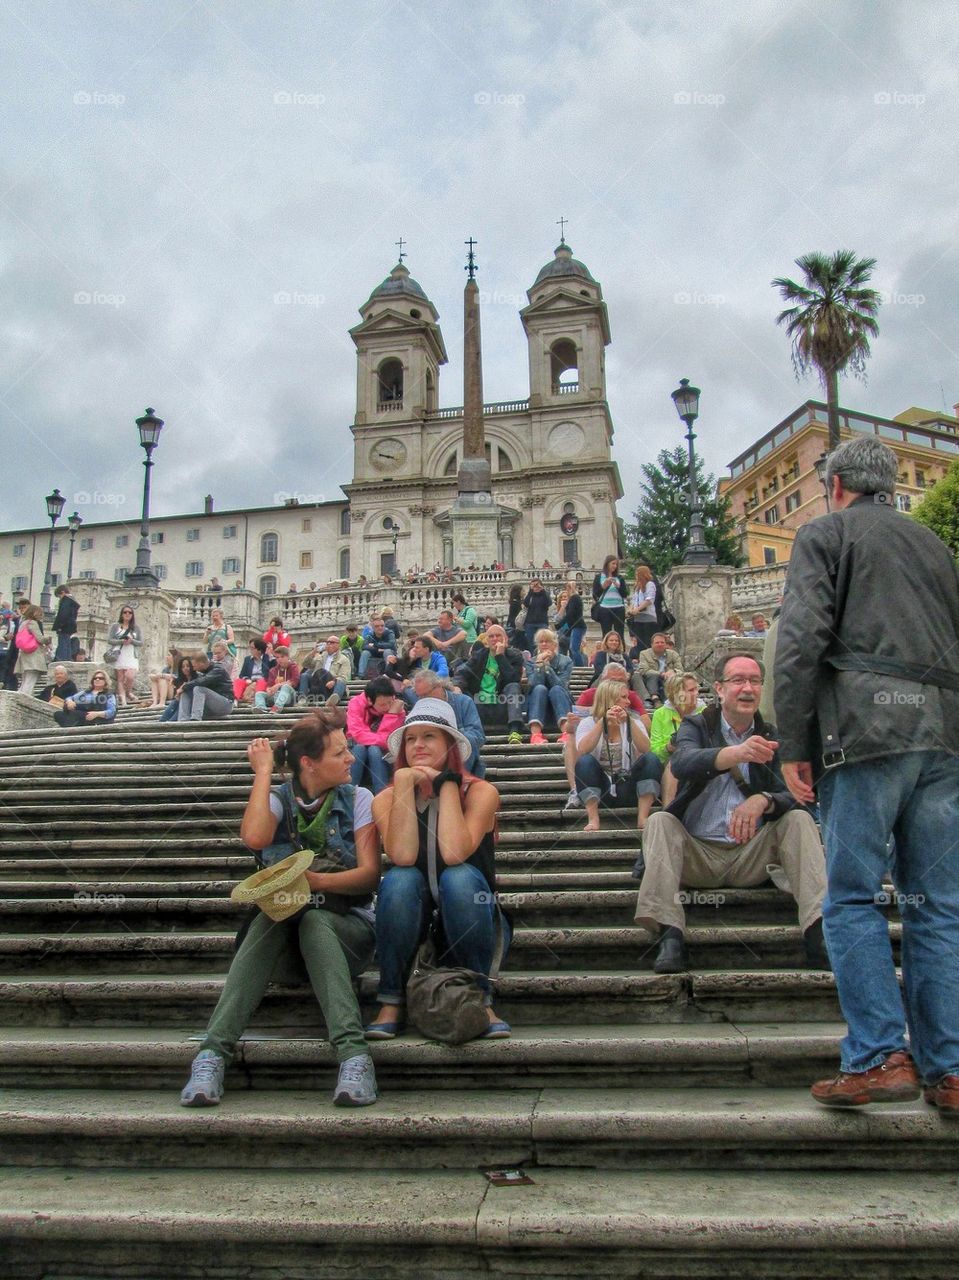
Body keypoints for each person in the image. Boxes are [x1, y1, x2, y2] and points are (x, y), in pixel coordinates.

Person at [774, 435, 959, 1112]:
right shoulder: (933, 547)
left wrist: (792, 740)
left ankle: (879, 1054)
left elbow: (800, 640)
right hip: (942, 735)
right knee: (937, 905)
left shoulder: (825, 534)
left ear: (839, 485)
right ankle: (949, 1068)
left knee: (850, 897)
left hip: (866, 727)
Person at [179, 711, 380, 1108]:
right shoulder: (277, 799)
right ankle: (211, 1056)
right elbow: (254, 837)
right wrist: (263, 773)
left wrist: (311, 883)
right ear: (309, 762)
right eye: (340, 752)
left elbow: (369, 877)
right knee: (273, 918)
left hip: (349, 934)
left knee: (316, 919)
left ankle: (354, 1055)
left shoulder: (360, 798)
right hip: (286, 943)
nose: (351, 759)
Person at [634, 651, 828, 975]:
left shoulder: (772, 736)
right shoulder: (696, 725)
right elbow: (682, 763)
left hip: (752, 856)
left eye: (754, 681)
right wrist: (733, 754)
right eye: (738, 680)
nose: (748, 688)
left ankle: (818, 933)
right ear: (720, 689)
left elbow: (800, 796)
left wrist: (764, 800)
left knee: (799, 819)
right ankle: (669, 934)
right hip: (697, 854)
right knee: (659, 821)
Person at [363, 698, 510, 1041]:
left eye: (429, 737)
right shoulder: (384, 799)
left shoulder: (482, 793)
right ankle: (391, 1000)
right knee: (399, 878)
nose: (418, 746)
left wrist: (446, 785)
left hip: (470, 916)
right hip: (412, 920)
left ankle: (480, 996)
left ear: (450, 746)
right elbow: (401, 854)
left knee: (458, 877)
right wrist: (402, 784)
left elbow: (455, 852)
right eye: (411, 739)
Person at [574, 678, 662, 832]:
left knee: (652, 760)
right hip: (601, 788)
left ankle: (643, 817)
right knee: (585, 761)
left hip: (627, 786)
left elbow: (647, 749)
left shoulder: (634, 722)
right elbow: (583, 750)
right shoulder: (587, 723)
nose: (628, 702)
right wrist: (602, 723)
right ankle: (593, 819)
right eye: (623, 697)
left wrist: (630, 722)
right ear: (609, 698)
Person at [562, 663, 649, 810]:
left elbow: (646, 725)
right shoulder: (589, 695)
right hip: (594, 749)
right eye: (613, 680)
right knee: (571, 739)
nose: (618, 684)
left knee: (646, 753)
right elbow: (572, 732)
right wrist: (599, 722)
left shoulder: (629, 696)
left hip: (625, 778)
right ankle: (576, 790)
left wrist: (631, 722)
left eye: (622, 680)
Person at [453, 623, 525, 745]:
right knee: (458, 692)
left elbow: (513, 679)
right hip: (479, 704)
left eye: (498, 636)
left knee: (513, 686)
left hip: (501, 704)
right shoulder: (479, 655)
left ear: (505, 638)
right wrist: (457, 686)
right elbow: (462, 672)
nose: (495, 639)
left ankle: (515, 730)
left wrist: (500, 657)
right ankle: (462, 732)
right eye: (491, 636)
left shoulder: (515, 656)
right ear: (487, 640)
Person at [408, 669, 486, 776]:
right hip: (431, 756)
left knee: (469, 739)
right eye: (419, 696)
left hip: (459, 756)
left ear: (439, 686)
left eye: (426, 695)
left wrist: (452, 738)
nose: (422, 699)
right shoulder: (420, 706)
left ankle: (455, 780)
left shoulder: (464, 702)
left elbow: (478, 735)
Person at [649, 672, 705, 807]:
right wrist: (668, 747)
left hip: (698, 760)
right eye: (691, 690)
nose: (697, 693)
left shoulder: (705, 712)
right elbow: (655, 751)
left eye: (697, 689)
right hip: (671, 763)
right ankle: (668, 812)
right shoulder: (660, 714)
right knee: (674, 761)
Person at [346, 676, 406, 795]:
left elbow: (391, 740)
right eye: (383, 704)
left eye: (390, 702)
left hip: (383, 755)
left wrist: (391, 715)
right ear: (369, 700)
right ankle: (349, 795)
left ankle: (382, 796)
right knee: (360, 748)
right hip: (357, 750)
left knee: (374, 750)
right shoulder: (356, 703)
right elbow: (357, 735)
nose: (388, 707)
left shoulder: (396, 707)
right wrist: (380, 739)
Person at [525, 628, 573, 745]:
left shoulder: (566, 661)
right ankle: (535, 734)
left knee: (556, 689)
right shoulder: (531, 662)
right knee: (540, 688)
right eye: (541, 642)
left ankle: (566, 732)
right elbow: (533, 684)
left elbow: (561, 685)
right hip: (538, 705)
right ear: (537, 645)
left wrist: (547, 668)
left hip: (560, 704)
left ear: (555, 643)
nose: (544, 644)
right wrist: (539, 665)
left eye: (548, 641)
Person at [177, 651, 234, 721]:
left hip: (226, 705)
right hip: (210, 707)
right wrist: (183, 689)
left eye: (194, 666)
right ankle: (183, 720)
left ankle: (195, 720)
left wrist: (184, 686)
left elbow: (204, 681)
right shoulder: (203, 672)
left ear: (201, 663)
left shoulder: (218, 669)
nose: (193, 669)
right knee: (185, 692)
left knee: (198, 689)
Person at [633, 633, 683, 706]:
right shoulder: (644, 654)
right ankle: (650, 699)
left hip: (668, 680)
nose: (660, 644)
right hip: (650, 679)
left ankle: (667, 700)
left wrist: (673, 671)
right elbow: (643, 669)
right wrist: (660, 674)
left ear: (666, 644)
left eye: (662, 642)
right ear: (652, 644)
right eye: (657, 642)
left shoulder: (673, 654)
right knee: (643, 675)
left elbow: (681, 670)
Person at [301, 634, 352, 703]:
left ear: (338, 645)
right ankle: (302, 699)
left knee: (341, 681)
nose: (329, 644)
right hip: (318, 682)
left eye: (332, 642)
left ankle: (334, 699)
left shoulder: (344, 659)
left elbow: (344, 676)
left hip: (332, 684)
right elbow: (305, 664)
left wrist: (334, 681)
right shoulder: (320, 657)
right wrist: (313, 652)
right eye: (327, 642)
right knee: (304, 675)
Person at [108, 606, 142, 706]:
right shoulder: (115, 626)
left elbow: (140, 642)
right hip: (119, 653)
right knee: (120, 678)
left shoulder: (136, 628)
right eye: (125, 612)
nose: (127, 614)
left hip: (131, 654)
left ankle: (128, 692)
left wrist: (132, 641)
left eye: (129, 612)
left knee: (130, 676)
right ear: (122, 614)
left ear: (132, 615)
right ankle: (123, 700)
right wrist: (121, 641)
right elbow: (110, 640)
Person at [13, 604, 49, 697]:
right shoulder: (33, 623)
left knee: (24, 681)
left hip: (25, 654)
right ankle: (24, 701)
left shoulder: (23, 623)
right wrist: (48, 639)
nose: (41, 615)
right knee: (30, 681)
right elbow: (40, 638)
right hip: (34, 655)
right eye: (39, 613)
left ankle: (19, 698)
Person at [591, 555, 628, 641]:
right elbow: (595, 595)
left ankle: (621, 652)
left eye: (616, 564)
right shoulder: (599, 577)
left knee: (620, 634)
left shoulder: (619, 578)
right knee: (606, 633)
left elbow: (625, 594)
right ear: (607, 564)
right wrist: (604, 586)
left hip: (619, 608)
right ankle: (606, 652)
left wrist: (618, 586)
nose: (615, 566)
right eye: (613, 563)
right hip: (605, 608)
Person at [254, 645, 300, 713]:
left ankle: (277, 708)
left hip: (290, 696)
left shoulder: (293, 667)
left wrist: (278, 685)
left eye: (282, 657)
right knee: (259, 693)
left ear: (288, 657)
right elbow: (269, 685)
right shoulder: (273, 670)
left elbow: (294, 682)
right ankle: (261, 708)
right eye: (277, 657)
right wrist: (269, 689)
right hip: (275, 696)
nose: (279, 659)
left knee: (286, 686)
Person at [627, 565, 659, 650]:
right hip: (638, 619)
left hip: (648, 618)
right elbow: (634, 601)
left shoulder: (650, 584)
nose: (636, 577)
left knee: (648, 643)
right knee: (640, 644)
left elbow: (649, 600)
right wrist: (631, 609)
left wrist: (638, 609)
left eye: (638, 574)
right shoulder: (637, 588)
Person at [234, 638, 274, 703]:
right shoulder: (247, 659)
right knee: (238, 681)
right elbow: (242, 675)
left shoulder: (268, 658)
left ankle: (257, 701)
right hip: (250, 681)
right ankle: (235, 700)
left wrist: (270, 656)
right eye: (250, 648)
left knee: (261, 682)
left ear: (259, 650)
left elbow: (273, 670)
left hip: (262, 681)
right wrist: (247, 680)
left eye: (252, 648)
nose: (250, 650)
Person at [159, 655, 196, 722]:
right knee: (163, 719)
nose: (185, 668)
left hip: (191, 705)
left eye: (188, 666)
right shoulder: (180, 680)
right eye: (183, 667)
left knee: (172, 720)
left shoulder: (197, 678)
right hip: (178, 703)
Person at [521, 578, 552, 654]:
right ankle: (532, 659)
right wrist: (531, 591)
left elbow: (549, 603)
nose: (536, 586)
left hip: (542, 622)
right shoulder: (530, 596)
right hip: (530, 623)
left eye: (537, 585)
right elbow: (526, 603)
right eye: (533, 585)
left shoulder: (544, 595)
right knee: (531, 644)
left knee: (543, 642)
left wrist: (542, 590)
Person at [51, 585, 80, 662]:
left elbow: (64, 614)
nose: (59, 598)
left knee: (63, 643)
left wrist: (60, 626)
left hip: (64, 626)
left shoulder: (66, 600)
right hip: (70, 625)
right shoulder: (73, 601)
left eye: (59, 596)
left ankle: (62, 660)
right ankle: (67, 659)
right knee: (67, 643)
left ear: (63, 592)